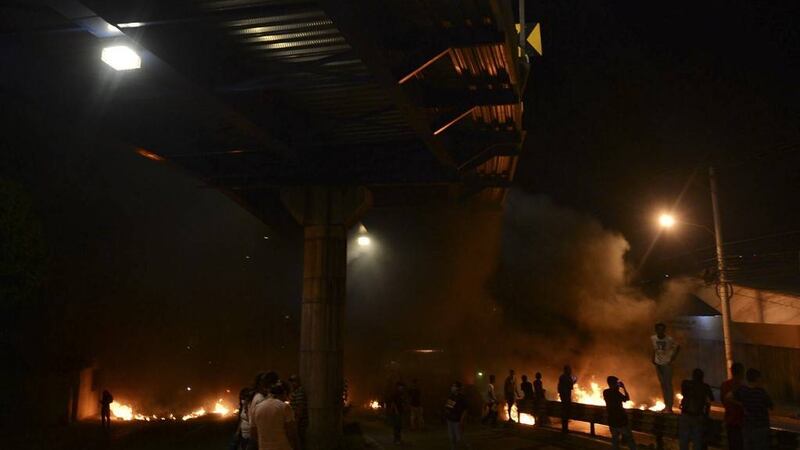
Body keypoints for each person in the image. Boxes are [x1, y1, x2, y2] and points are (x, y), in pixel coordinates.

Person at [251, 382, 300, 450]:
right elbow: (291, 432)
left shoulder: (257, 407)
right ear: (284, 393)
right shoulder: (284, 407)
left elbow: (253, 431)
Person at [735, 368, 773, 450]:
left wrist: (741, 404)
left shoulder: (742, 390)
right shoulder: (761, 392)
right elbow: (771, 406)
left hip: (747, 425)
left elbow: (728, 397)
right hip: (760, 425)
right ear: (757, 379)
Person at [679, 368, 714, 450]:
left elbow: (683, 393)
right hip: (698, 416)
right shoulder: (705, 387)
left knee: (684, 440)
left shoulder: (686, 383)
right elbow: (711, 399)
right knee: (697, 441)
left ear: (693, 376)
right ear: (702, 377)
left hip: (685, 414)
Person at [651, 323, 680, 413]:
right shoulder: (653, 338)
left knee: (668, 385)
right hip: (658, 364)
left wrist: (673, 358)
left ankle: (669, 406)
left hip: (666, 364)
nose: (660, 331)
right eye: (659, 329)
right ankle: (666, 405)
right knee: (663, 385)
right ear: (656, 330)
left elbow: (678, 346)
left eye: (662, 329)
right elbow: (654, 349)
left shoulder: (669, 339)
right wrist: (653, 358)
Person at [603, 376, 638, 450]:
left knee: (615, 441)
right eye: (616, 383)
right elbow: (627, 398)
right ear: (614, 384)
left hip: (612, 421)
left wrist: (617, 388)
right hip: (621, 421)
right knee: (630, 440)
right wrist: (623, 388)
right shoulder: (616, 393)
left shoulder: (605, 392)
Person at [721, 363, 746, 450]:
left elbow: (723, 401)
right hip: (741, 420)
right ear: (741, 373)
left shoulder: (725, 385)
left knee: (732, 444)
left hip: (729, 419)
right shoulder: (743, 387)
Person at [444, 382, 469, 450]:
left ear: (458, 388)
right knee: (452, 437)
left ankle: (466, 447)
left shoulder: (462, 397)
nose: (452, 387)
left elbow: (465, 410)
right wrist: (447, 414)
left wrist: (462, 420)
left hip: (457, 420)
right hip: (450, 420)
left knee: (459, 438)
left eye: (454, 386)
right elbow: (449, 407)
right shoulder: (451, 396)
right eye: (452, 386)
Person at [288, 375, 308, 449]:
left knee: (300, 443)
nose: (292, 384)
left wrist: (296, 423)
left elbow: (300, 408)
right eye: (291, 382)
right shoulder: (295, 391)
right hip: (297, 422)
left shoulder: (300, 392)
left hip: (300, 423)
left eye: (294, 381)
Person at [558, 365, 577, 433]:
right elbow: (570, 384)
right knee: (565, 413)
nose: (571, 371)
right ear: (566, 370)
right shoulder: (566, 377)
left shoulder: (562, 377)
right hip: (566, 397)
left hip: (564, 396)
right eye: (569, 370)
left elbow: (559, 387)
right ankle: (565, 429)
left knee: (564, 413)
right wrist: (575, 380)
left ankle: (564, 428)